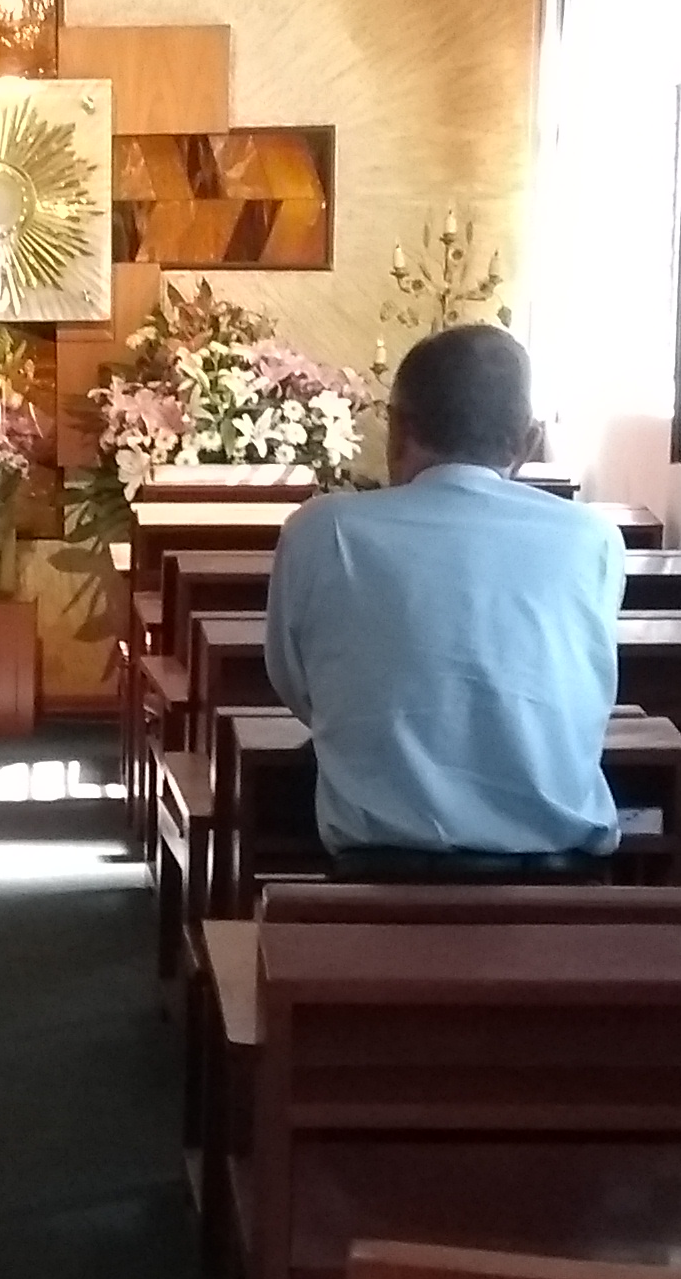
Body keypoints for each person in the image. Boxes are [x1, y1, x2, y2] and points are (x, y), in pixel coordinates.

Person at [263, 324, 620, 878]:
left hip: (380, 872)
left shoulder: (321, 530)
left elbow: (297, 686)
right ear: (525, 441)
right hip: (559, 881)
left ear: (398, 429)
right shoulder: (592, 538)